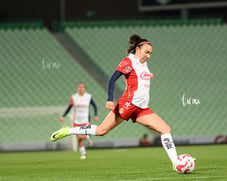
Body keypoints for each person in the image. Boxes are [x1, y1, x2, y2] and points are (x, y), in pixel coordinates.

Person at [51, 34, 178, 169]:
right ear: (137, 50)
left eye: (150, 53)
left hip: (141, 108)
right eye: (146, 52)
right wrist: (109, 99)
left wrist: (149, 75)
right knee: (101, 131)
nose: (148, 56)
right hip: (128, 104)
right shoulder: (128, 61)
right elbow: (112, 79)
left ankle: (176, 163)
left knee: (165, 129)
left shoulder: (144, 63)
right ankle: (69, 130)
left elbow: (139, 77)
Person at [60, 82, 99, 159]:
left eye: (82, 87)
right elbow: (69, 107)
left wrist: (96, 115)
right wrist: (63, 116)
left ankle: (87, 137)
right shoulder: (74, 97)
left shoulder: (88, 97)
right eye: (79, 87)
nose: (80, 89)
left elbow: (95, 106)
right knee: (78, 138)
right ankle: (83, 154)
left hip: (85, 120)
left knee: (82, 136)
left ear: (85, 88)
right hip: (76, 120)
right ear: (77, 88)